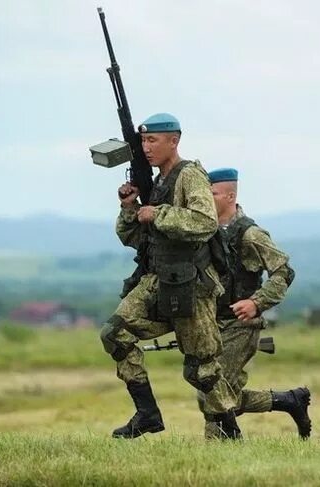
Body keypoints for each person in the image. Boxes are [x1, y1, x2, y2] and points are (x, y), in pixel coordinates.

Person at [99, 113, 240, 439]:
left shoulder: (189, 175)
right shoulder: (156, 182)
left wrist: (158, 213)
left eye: (153, 141)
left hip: (192, 284)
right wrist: (130, 207)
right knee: (114, 333)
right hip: (156, 279)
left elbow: (205, 222)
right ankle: (147, 413)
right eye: (143, 141)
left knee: (202, 369)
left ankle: (230, 432)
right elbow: (133, 237)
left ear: (173, 141)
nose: (146, 148)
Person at [198, 167, 311, 439]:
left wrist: (256, 303)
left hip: (242, 324)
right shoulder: (205, 230)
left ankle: (218, 452)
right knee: (211, 393)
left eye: (211, 193)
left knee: (214, 390)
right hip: (212, 323)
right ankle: (288, 401)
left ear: (229, 196)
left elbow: (284, 271)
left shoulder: (250, 234)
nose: (205, 198)